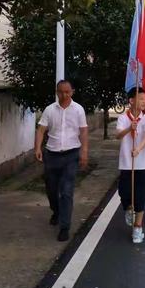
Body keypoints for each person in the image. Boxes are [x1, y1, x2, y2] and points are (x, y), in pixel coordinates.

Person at [35, 80, 89, 242]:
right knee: (51, 190)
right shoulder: (49, 110)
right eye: (60, 92)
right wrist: (37, 148)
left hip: (71, 155)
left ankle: (64, 227)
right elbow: (41, 129)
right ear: (57, 92)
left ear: (72, 92)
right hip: (51, 155)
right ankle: (56, 211)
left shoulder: (78, 109)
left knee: (66, 191)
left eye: (67, 92)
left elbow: (83, 131)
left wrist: (84, 152)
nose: (64, 95)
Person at [116, 87, 145, 244]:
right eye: (141, 98)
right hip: (126, 163)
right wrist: (128, 128)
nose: (144, 102)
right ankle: (127, 208)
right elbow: (118, 135)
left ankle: (138, 228)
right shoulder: (123, 118)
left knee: (140, 196)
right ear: (131, 100)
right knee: (124, 193)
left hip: (142, 163)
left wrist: (138, 149)